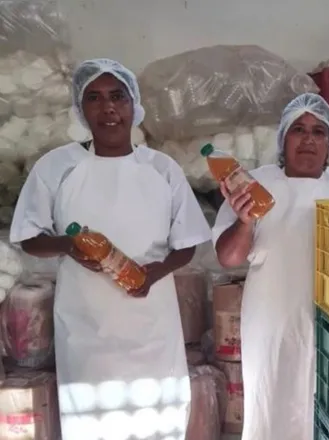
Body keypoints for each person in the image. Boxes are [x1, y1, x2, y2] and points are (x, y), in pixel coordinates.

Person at [10, 59, 212, 439]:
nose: (108, 108)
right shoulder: (57, 167)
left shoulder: (162, 169)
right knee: (93, 422)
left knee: (158, 420)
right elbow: (28, 236)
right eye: (94, 98)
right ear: (80, 109)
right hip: (87, 330)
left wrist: (156, 271)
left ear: (134, 104)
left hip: (151, 326)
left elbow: (187, 243)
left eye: (118, 96)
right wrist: (68, 245)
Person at [212, 93, 329, 440]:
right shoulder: (253, 186)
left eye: (318, 131)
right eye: (298, 129)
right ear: (283, 139)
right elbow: (228, 258)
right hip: (272, 317)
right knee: (273, 400)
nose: (308, 139)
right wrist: (244, 222)